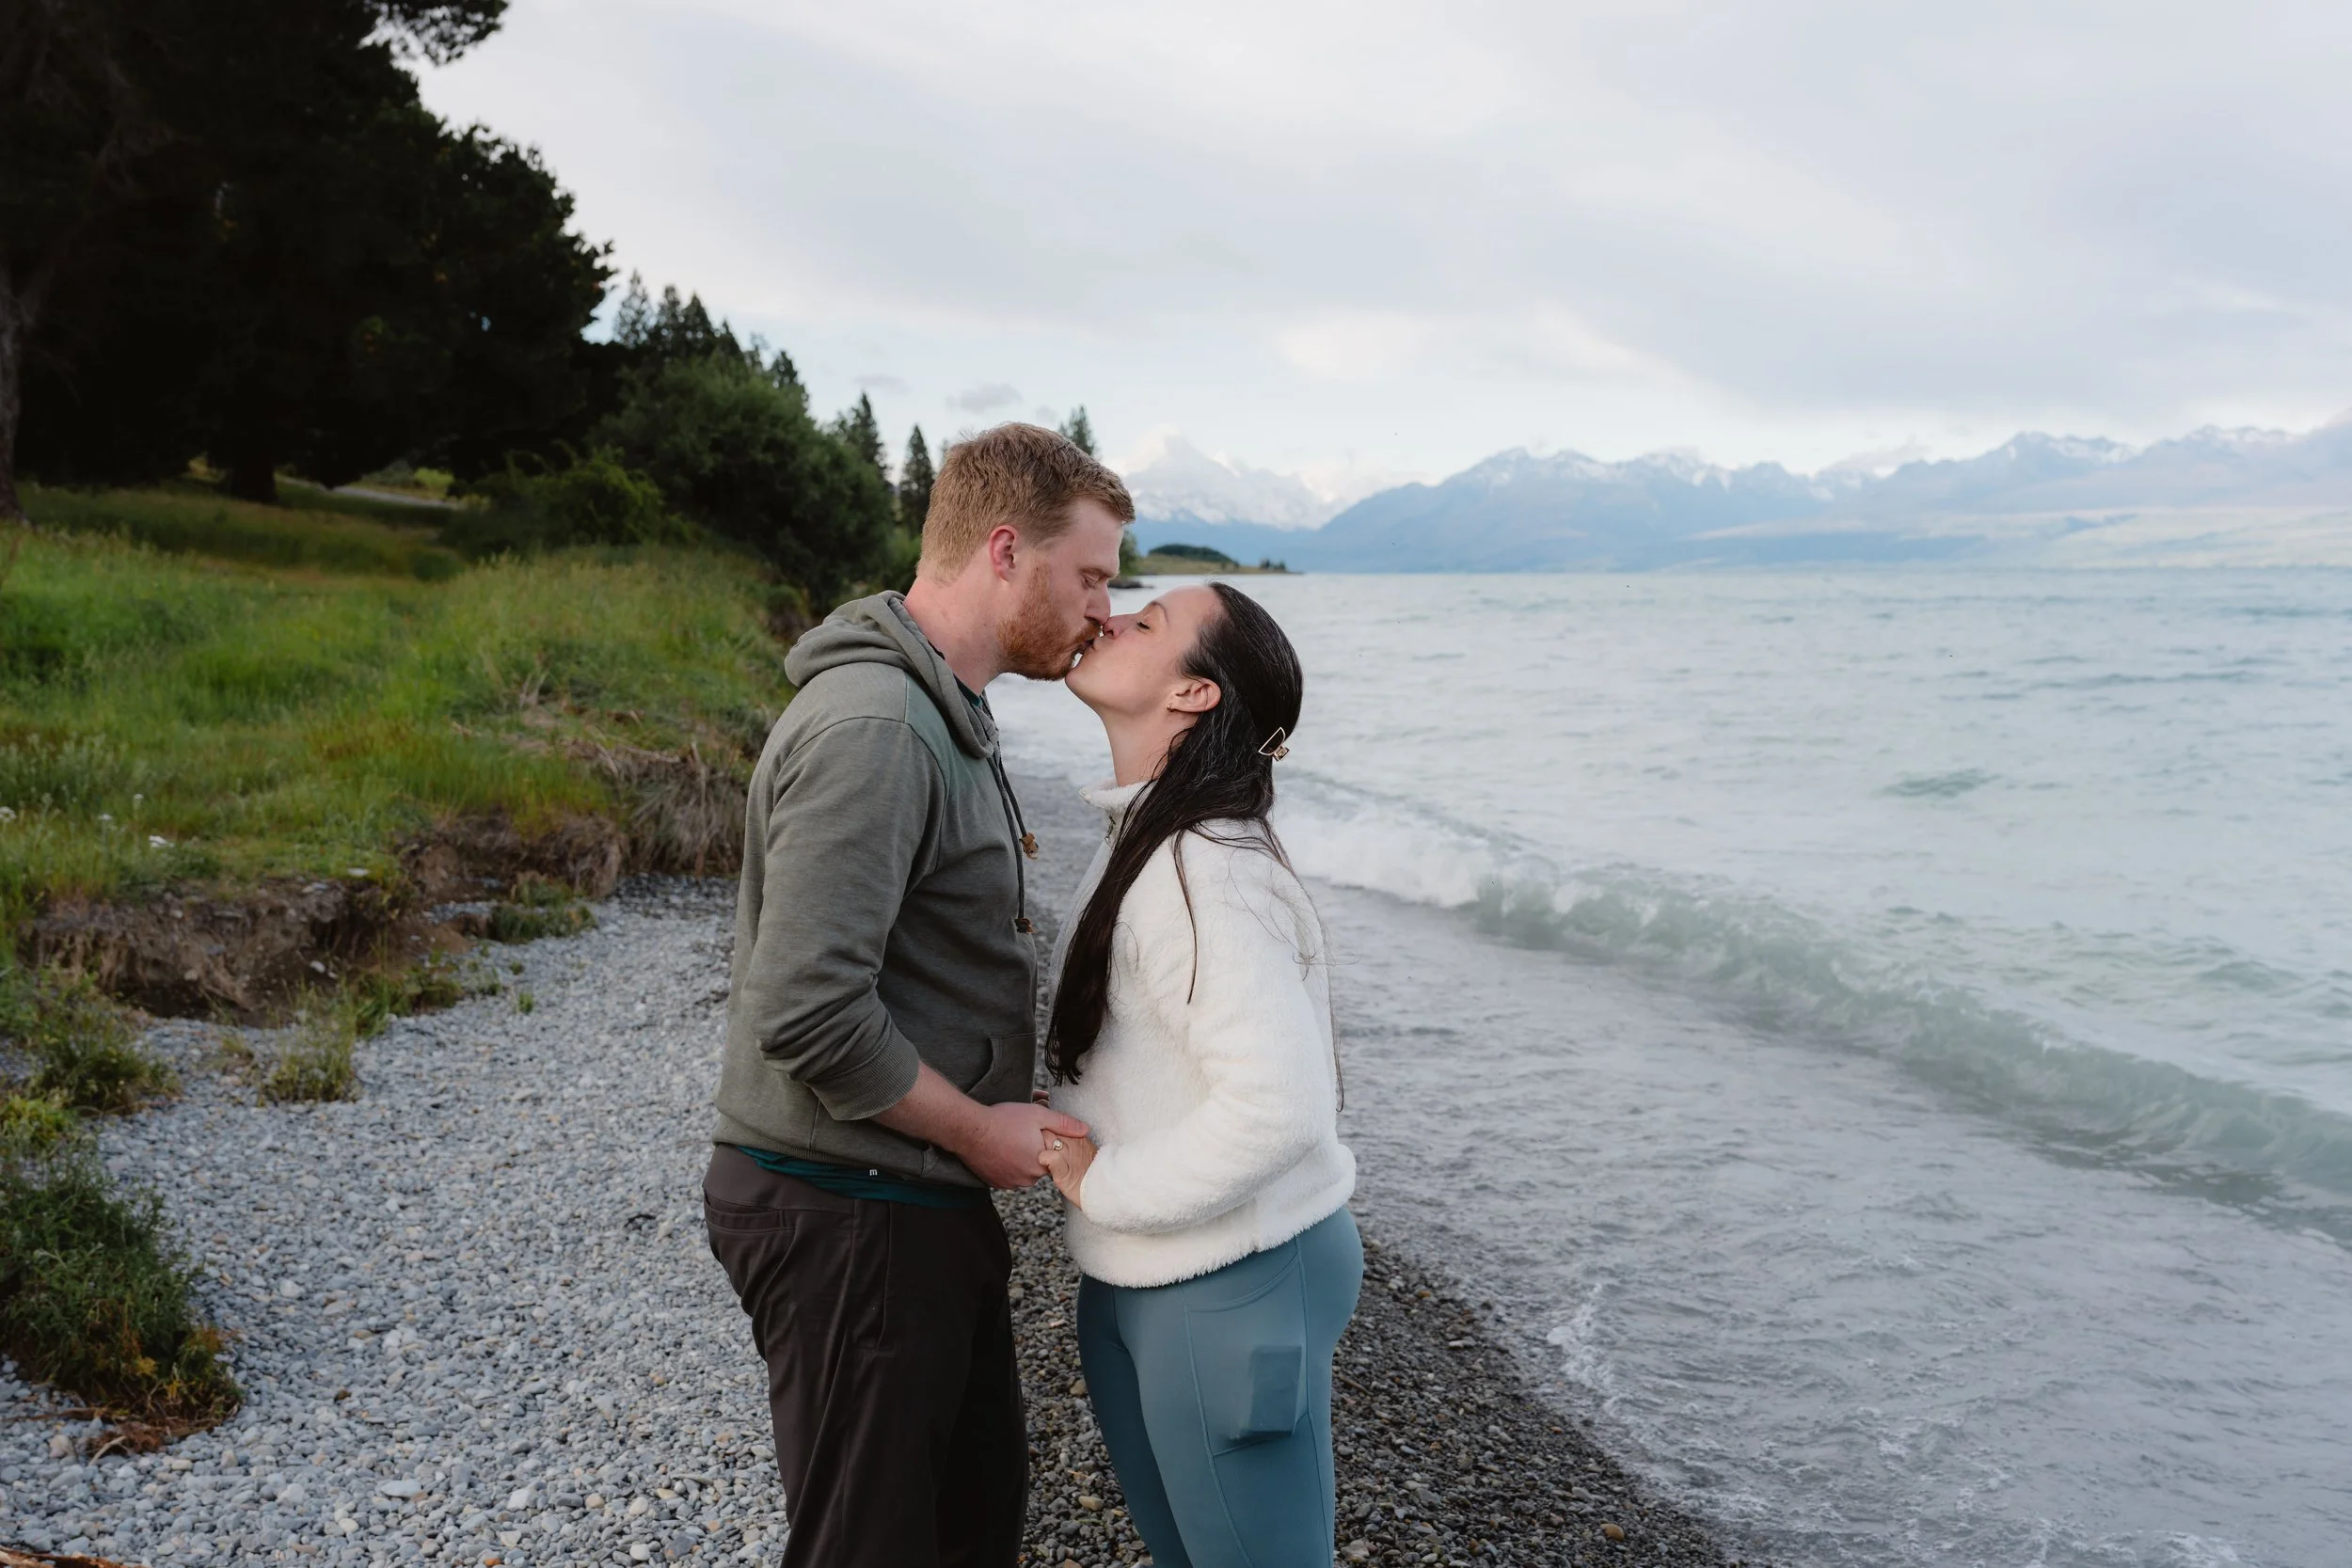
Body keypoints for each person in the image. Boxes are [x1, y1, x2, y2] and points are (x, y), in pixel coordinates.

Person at [703, 422, 1130, 1568]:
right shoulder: (880, 726)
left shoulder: (937, 707)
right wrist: (979, 1127)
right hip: (849, 1208)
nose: (1104, 610)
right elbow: (804, 1007)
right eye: (1091, 576)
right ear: (1006, 550)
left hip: (897, 1199)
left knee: (965, 1525)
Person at [1039, 582, 1362, 1568]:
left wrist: (1106, 1184)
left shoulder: (1208, 867)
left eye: (1147, 623)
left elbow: (1282, 1107)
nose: (1111, 616)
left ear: (1193, 693)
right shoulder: (1148, 840)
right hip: (1146, 1269)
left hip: (1229, 1274)